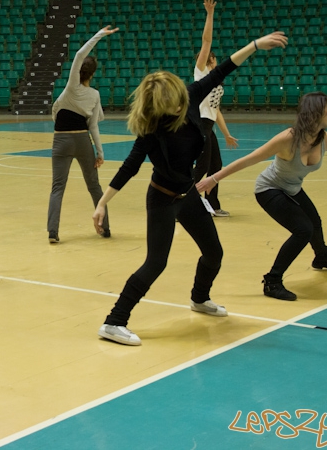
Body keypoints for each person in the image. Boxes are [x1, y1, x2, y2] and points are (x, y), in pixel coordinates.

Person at [92, 31, 288, 346]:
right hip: (162, 199)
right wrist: (102, 203)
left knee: (214, 253)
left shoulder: (189, 95)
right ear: (162, 104)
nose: (184, 102)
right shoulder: (151, 129)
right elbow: (129, 167)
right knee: (156, 263)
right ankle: (114, 322)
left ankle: (199, 298)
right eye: (177, 101)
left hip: (188, 195)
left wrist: (254, 45)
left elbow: (223, 68)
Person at [196, 92, 327, 300]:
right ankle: (272, 281)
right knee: (303, 230)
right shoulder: (288, 139)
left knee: (314, 222)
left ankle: (322, 257)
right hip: (269, 189)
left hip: (292, 188)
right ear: (316, 113)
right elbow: (249, 159)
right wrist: (213, 179)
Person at [47, 26, 117, 243]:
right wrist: (100, 152)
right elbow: (94, 125)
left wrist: (99, 34)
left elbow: (79, 54)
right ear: (93, 74)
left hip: (60, 140)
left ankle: (53, 232)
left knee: (57, 187)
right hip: (82, 140)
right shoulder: (94, 94)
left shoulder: (70, 89)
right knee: (94, 186)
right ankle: (105, 229)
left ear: (78, 72)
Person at [193, 0, 238, 217]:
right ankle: (183, 198)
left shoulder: (216, 82)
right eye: (212, 57)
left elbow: (216, 110)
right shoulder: (201, 73)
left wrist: (227, 134)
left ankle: (211, 203)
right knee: (202, 167)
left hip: (208, 125)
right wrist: (210, 14)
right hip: (199, 125)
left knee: (216, 165)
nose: (214, 59)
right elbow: (206, 41)